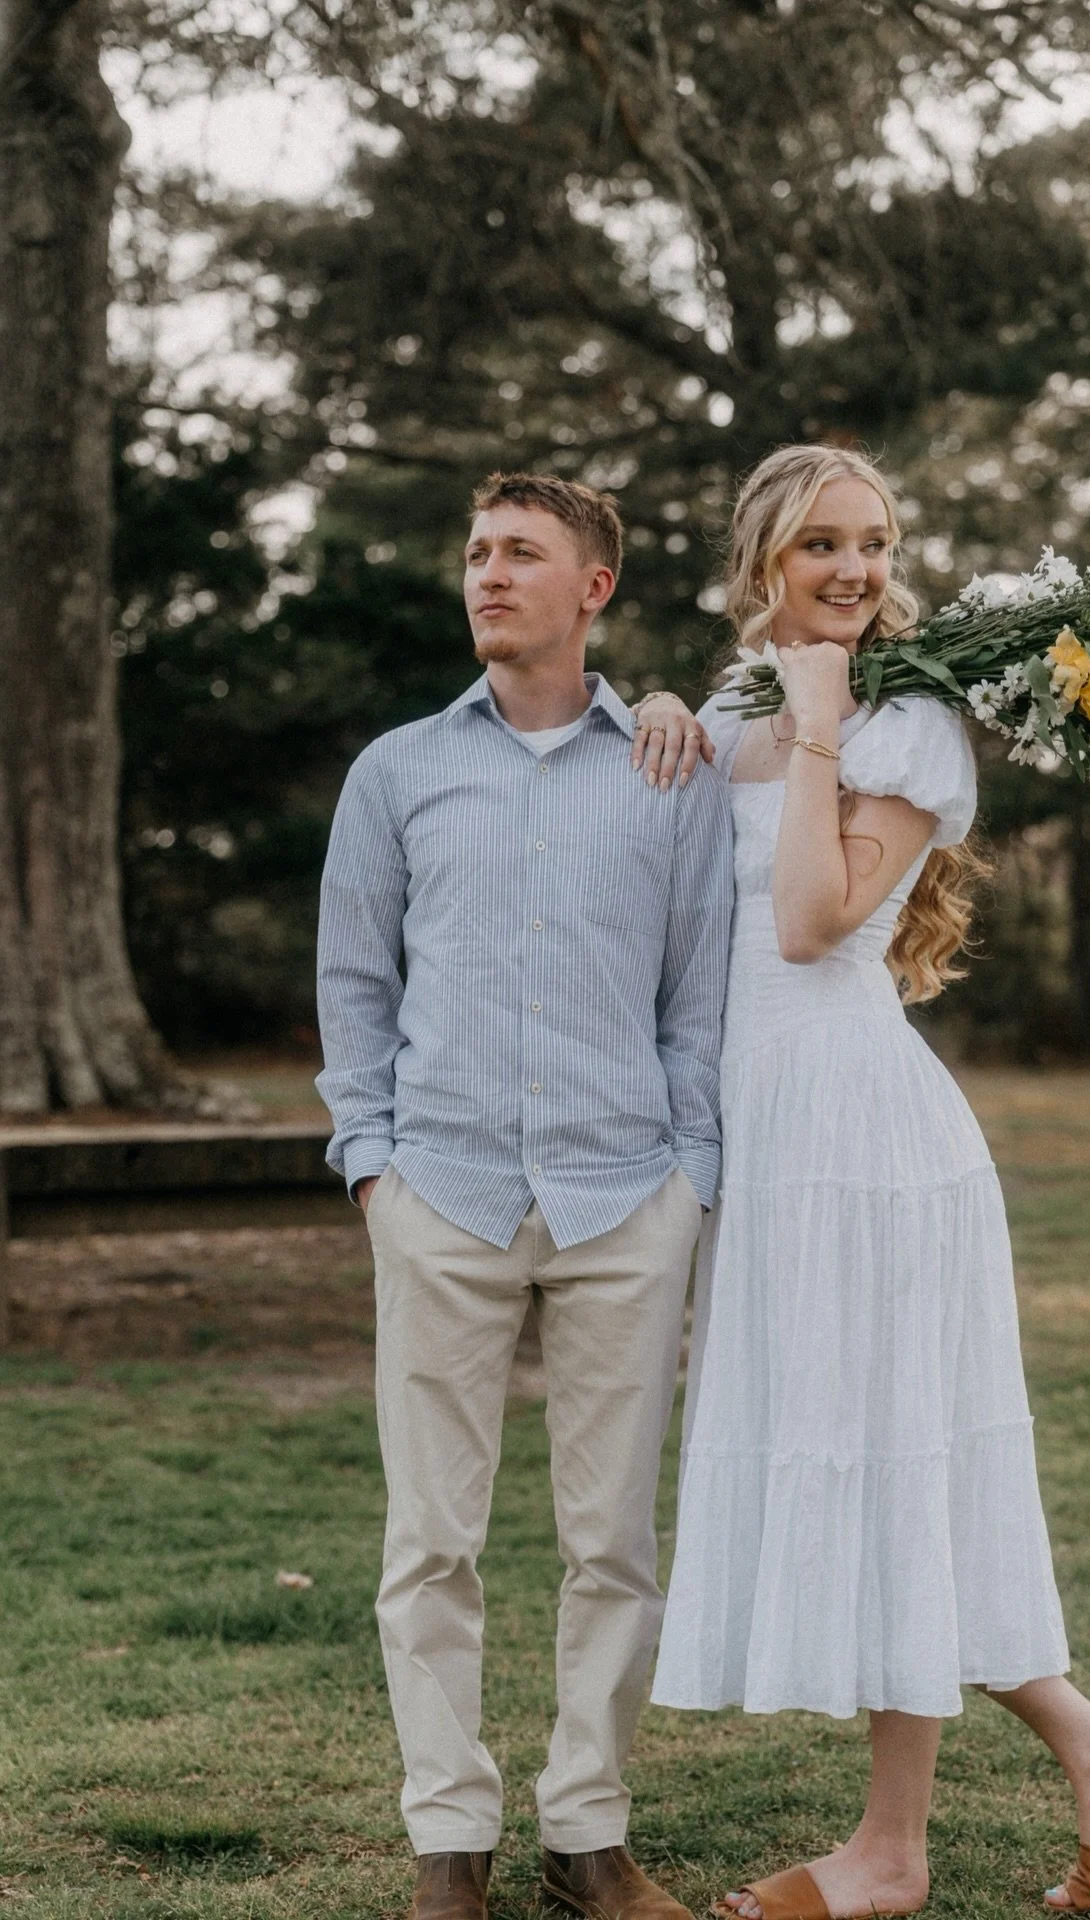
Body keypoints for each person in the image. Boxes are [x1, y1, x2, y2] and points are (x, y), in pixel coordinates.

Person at [633, 444, 1090, 1919]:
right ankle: (1089, 1758)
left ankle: (901, 1848)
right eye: (820, 543)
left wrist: (826, 730)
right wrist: (651, 713)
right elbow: (670, 850)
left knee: (898, 1460)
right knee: (879, 1462)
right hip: (764, 1137)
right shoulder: (738, 705)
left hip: (861, 1133)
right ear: (761, 557)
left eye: (876, 544)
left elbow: (813, 926)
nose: (853, 570)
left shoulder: (911, 723)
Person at [316, 472, 732, 1920]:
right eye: (478, 552)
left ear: (593, 589)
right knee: (430, 1538)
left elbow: (700, 997)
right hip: (443, 1189)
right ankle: (448, 1845)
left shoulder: (670, 771)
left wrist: (693, 1178)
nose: (488, 575)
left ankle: (587, 1839)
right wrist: (371, 1164)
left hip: (629, 1198)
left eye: (521, 555)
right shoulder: (398, 773)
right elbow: (354, 987)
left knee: (611, 1541)